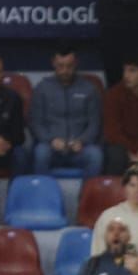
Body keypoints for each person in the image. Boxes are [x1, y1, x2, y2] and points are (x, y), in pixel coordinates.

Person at [29, 46, 104, 178]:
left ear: (76, 64)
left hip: (80, 148)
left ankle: (86, 196)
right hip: (51, 147)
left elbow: (95, 123)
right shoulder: (42, 88)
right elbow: (36, 123)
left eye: (69, 66)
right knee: (41, 153)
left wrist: (82, 141)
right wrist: (51, 140)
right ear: (53, 63)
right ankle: (44, 195)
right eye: (60, 66)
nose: (65, 71)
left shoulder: (89, 89)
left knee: (95, 155)